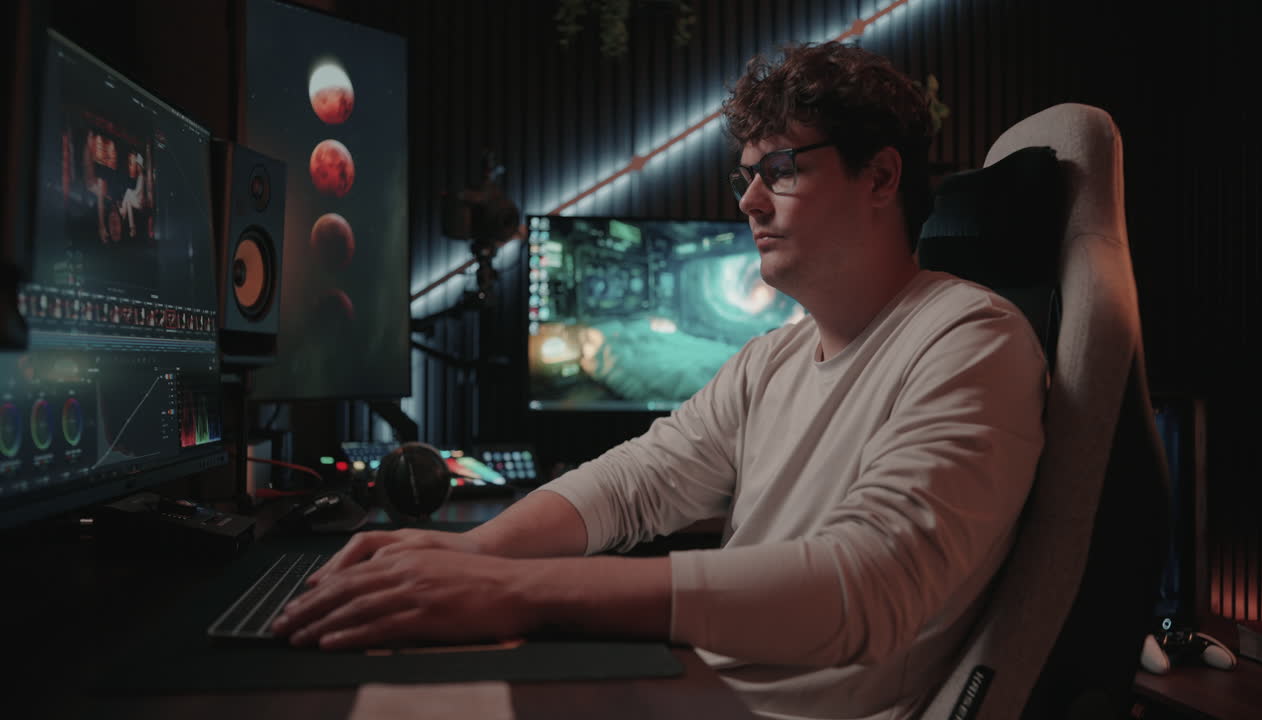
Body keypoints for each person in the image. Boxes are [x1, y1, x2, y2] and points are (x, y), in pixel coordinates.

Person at [273, 41, 1047, 720]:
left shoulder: (970, 340)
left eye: (781, 170)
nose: (749, 201)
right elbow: (636, 484)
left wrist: (515, 595)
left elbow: (867, 584)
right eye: (745, 175)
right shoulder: (772, 357)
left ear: (880, 177)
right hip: (701, 688)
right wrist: (472, 556)